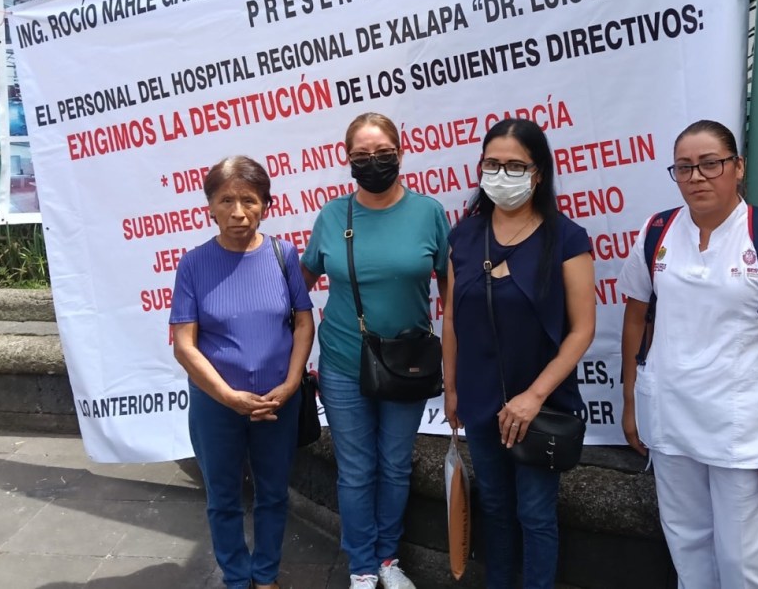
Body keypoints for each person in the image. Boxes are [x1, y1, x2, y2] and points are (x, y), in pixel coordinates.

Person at [618, 120, 758, 589]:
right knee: (688, 550)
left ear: (738, 167)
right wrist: (632, 401)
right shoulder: (657, 231)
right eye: (685, 167)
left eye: (711, 163)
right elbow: (635, 317)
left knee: (743, 565)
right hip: (671, 424)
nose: (697, 177)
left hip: (742, 433)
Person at [442, 118, 596, 589]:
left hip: (541, 405)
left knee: (535, 513)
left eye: (514, 165)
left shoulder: (566, 238)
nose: (501, 175)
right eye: (492, 164)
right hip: (480, 398)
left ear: (538, 173)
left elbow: (582, 330)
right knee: (495, 507)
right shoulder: (463, 236)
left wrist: (534, 396)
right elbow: (450, 320)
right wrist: (451, 389)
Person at [300, 112, 450, 589]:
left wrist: (459, 368)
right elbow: (296, 286)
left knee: (394, 464)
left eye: (382, 154)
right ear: (347, 161)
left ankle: (388, 557)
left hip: (408, 364)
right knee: (357, 469)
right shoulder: (332, 216)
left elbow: (452, 290)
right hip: (345, 361)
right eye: (361, 156)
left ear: (401, 154)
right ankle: (362, 566)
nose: (373, 163)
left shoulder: (429, 213)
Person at [169, 155, 315, 589]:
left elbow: (304, 322)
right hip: (216, 405)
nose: (238, 212)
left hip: (278, 403)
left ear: (266, 205)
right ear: (209, 206)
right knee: (223, 497)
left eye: (249, 200)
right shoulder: (193, 264)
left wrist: (291, 384)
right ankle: (236, 576)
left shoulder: (283, 254)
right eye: (226, 200)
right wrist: (228, 396)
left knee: (273, 494)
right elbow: (184, 344)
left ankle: (266, 575)